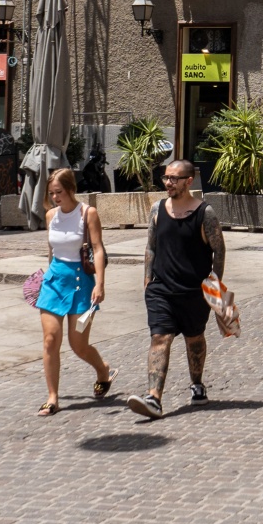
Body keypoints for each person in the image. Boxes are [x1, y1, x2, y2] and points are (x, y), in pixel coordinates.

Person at [127, 159, 225, 419]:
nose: (168, 182)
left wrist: (215, 286)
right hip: (161, 290)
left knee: (194, 339)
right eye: (166, 177)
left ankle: (197, 384)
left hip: (194, 292)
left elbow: (219, 250)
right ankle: (154, 398)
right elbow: (150, 246)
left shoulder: (205, 213)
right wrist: (147, 279)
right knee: (160, 338)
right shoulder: (157, 209)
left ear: (188, 181)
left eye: (174, 178)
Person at [34, 168, 113, 416]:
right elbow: (52, 250)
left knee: (78, 345)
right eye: (51, 193)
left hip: (81, 282)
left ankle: (103, 370)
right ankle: (52, 397)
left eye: (59, 192)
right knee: (50, 340)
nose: (56, 197)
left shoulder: (87, 213)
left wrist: (100, 283)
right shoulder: (50, 216)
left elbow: (98, 249)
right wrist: (46, 276)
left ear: (70, 189)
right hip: (55, 281)